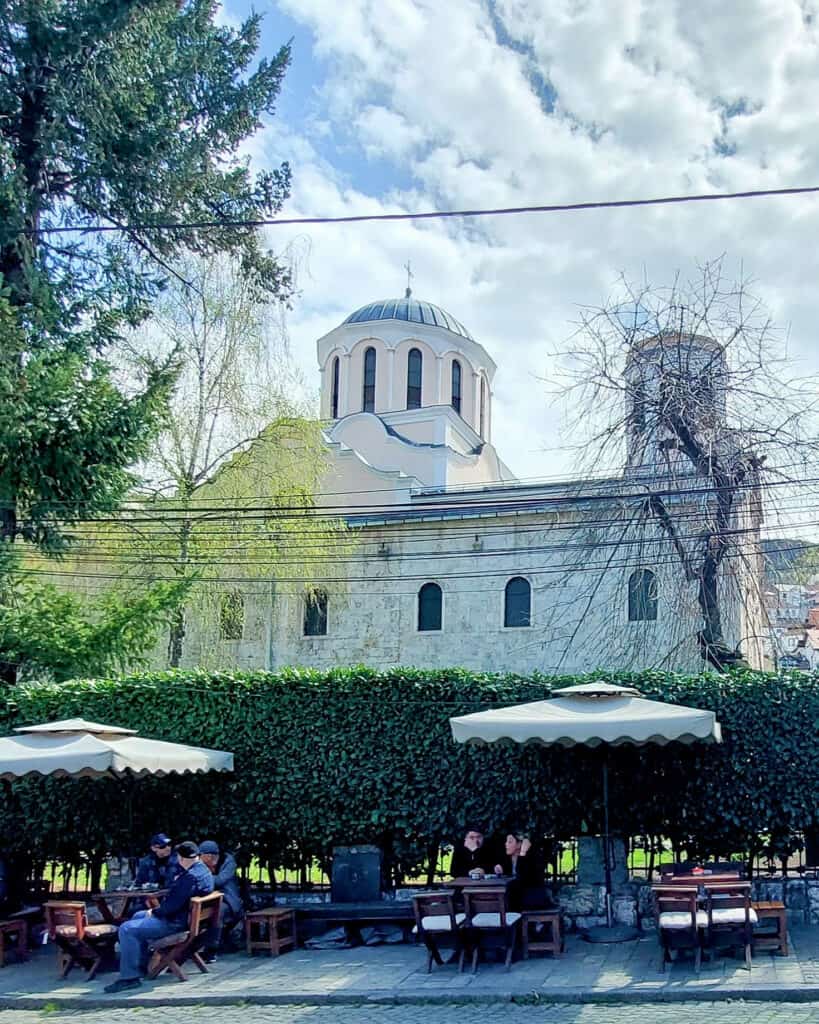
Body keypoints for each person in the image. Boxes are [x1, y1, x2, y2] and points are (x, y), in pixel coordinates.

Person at [104, 840, 214, 993]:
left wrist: (154, 912)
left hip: (175, 923)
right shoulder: (204, 872)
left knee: (126, 928)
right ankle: (140, 967)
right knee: (137, 915)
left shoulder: (188, 878)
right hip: (190, 920)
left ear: (181, 859)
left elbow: (171, 907)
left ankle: (129, 978)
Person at [199, 839, 242, 960]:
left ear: (209, 856)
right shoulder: (202, 864)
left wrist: (201, 878)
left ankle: (211, 950)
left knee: (217, 913)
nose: (199, 858)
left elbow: (220, 881)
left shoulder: (228, 862)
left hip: (229, 900)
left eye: (201, 855)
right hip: (207, 899)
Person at [494, 832, 551, 910]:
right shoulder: (507, 858)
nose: (506, 844)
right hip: (518, 895)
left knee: (509, 898)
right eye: (506, 841)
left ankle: (515, 920)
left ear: (519, 844)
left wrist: (523, 853)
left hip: (532, 896)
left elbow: (522, 879)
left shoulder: (531, 858)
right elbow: (506, 873)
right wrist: (498, 869)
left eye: (510, 842)